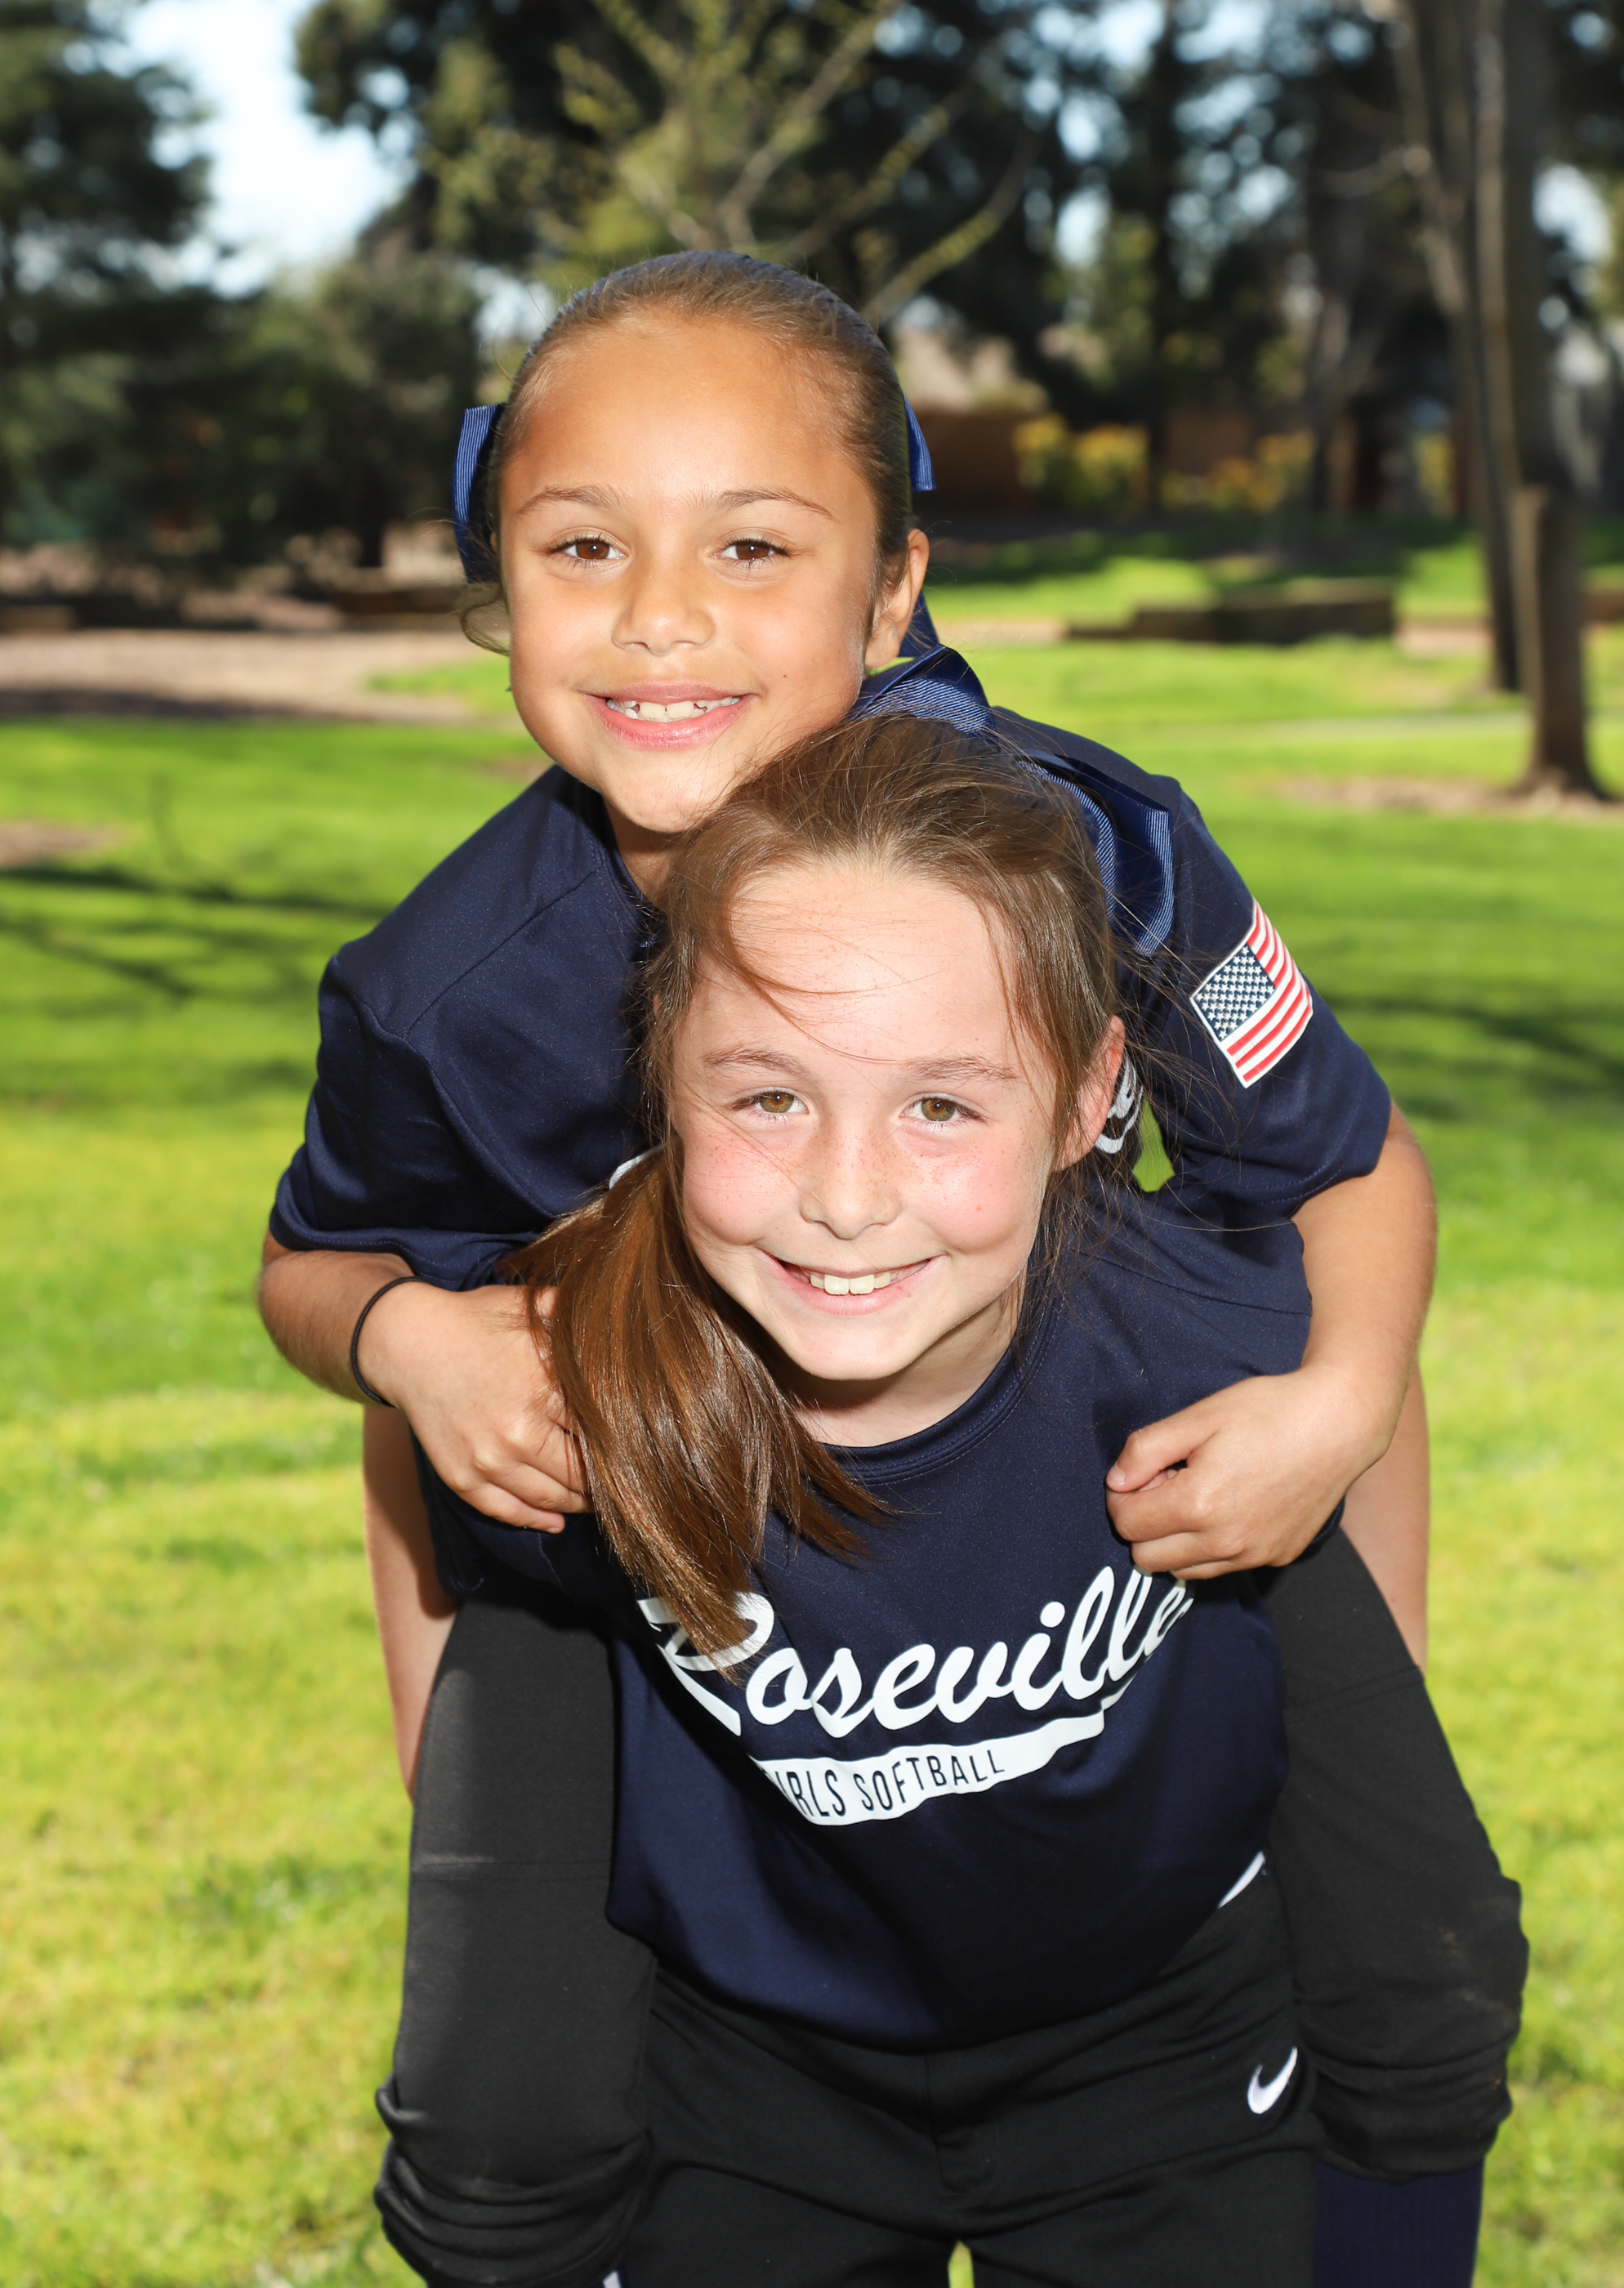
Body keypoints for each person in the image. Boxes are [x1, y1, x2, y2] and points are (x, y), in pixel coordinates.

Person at [256, 254, 1522, 2287]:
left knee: (1413, 1965)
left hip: (1087, 1554)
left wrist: (1336, 1413)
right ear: (496, 573)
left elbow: (1340, 1167)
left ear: (893, 585)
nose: (661, 616)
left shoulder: (1100, 858)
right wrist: (409, 1341)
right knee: (508, 2128)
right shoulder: (447, 994)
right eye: (582, 546)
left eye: (751, 546)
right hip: (679, 1576)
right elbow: (321, 1267)